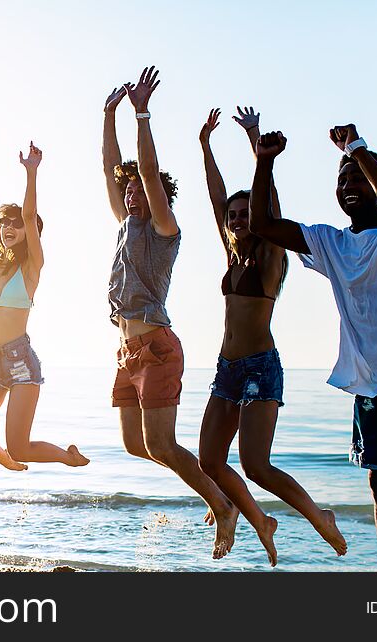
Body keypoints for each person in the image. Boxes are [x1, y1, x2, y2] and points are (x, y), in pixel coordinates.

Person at [249, 125, 377, 572]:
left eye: (358, 179)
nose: (349, 187)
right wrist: (264, 161)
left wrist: (357, 150)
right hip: (371, 390)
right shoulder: (332, 243)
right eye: (342, 180)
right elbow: (263, 225)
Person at [197, 107, 347, 566]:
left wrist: (260, 149)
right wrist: (205, 146)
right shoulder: (232, 255)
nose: (239, 219)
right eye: (234, 216)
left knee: (256, 465)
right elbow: (216, 196)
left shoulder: (268, 257)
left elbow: (270, 208)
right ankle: (259, 520)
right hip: (227, 370)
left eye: (245, 214)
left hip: (260, 369)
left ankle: (319, 514)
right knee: (209, 462)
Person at [102, 66, 239, 560]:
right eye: (130, 188)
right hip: (126, 351)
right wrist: (107, 114)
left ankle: (223, 505)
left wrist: (141, 114)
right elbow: (111, 168)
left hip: (157, 348)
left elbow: (145, 170)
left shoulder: (163, 228)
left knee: (161, 445)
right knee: (137, 446)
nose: (132, 191)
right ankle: (217, 494)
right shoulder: (124, 224)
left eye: (141, 186)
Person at [0, 133, 89, 470]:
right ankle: (8, 462)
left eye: (16, 225)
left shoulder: (31, 268)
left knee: (21, 446)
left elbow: (31, 216)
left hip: (20, 363)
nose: (9, 228)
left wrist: (31, 172)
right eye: (5, 222)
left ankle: (65, 456)